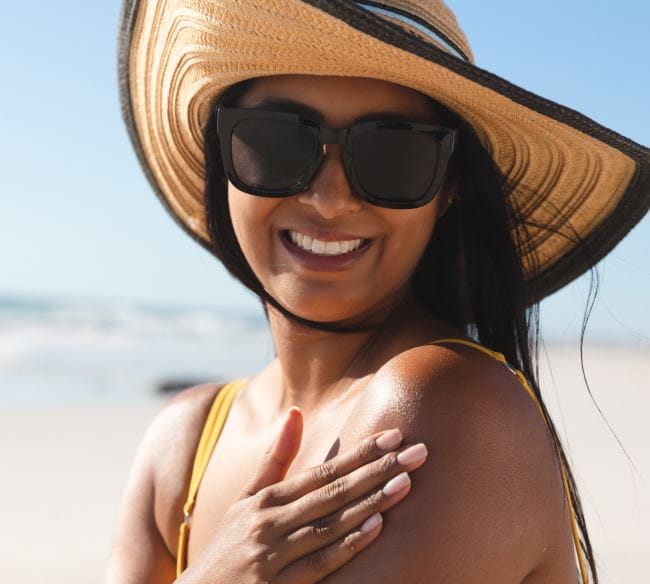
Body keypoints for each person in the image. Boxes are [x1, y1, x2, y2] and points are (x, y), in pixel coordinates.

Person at [109, 1, 649, 582]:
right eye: (276, 142)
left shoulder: (445, 403)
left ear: (448, 189)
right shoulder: (183, 441)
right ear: (221, 157)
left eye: (394, 154)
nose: (330, 198)